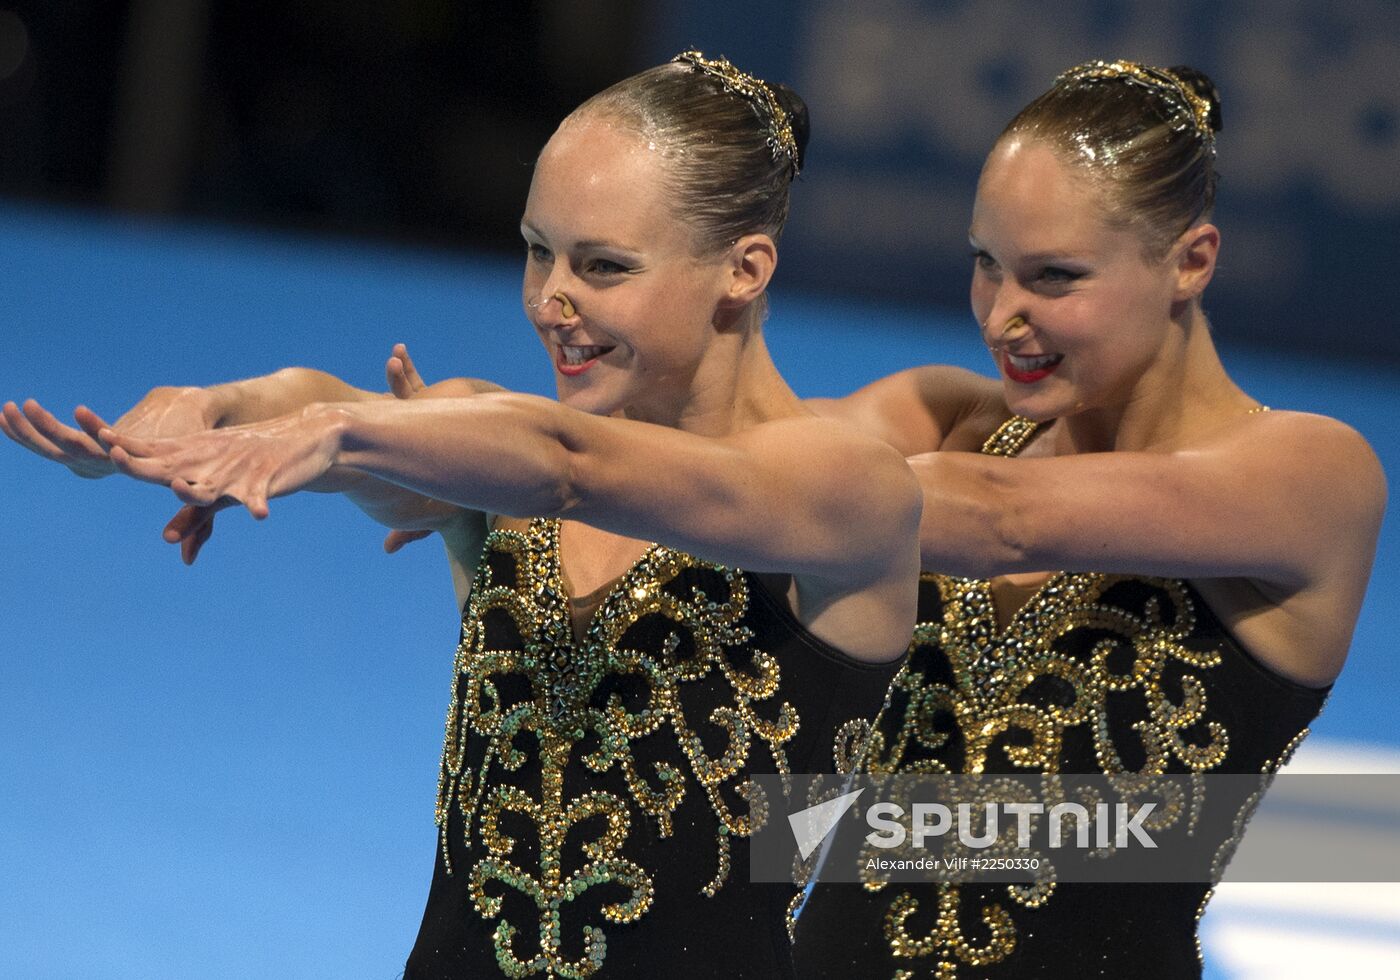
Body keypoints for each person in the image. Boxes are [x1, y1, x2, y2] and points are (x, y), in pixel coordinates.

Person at [2, 52, 923, 979]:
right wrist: (214, 407)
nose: (551, 302)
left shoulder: (841, 485)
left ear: (744, 267)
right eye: (536, 250)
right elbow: (357, 408)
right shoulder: (498, 458)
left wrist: (339, 429)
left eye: (603, 266)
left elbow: (568, 465)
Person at [789, 60, 1386, 979]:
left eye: (1055, 277)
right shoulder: (959, 422)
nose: (1002, 317)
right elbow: (745, 448)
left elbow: (1006, 522)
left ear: (1191, 261)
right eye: (987, 266)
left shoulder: (1310, 473)